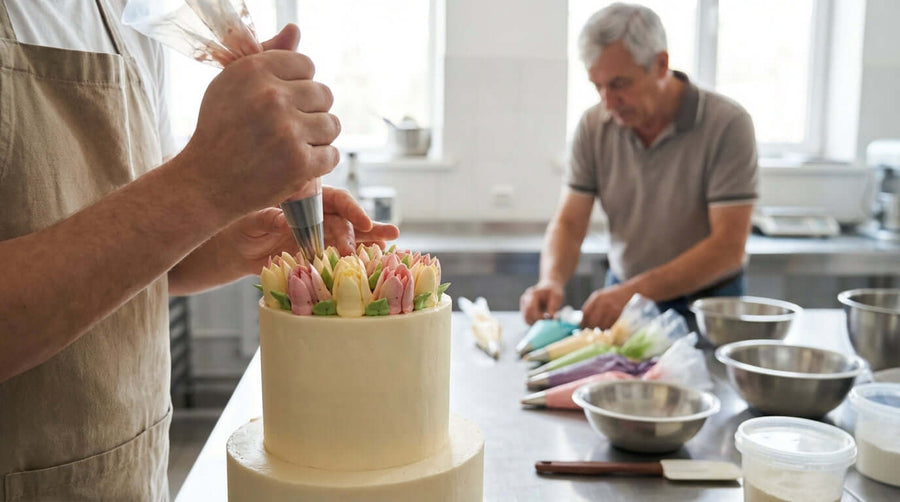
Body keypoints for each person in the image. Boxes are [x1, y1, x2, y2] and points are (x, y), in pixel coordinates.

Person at [0, 1, 397, 499]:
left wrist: (241, 240)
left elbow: (138, 252)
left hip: (130, 476)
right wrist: (204, 183)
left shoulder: (129, 21)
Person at [520, 2, 757, 330]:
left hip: (708, 305)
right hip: (625, 293)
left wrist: (633, 293)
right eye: (597, 85)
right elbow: (570, 223)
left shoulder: (728, 124)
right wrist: (551, 280)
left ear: (661, 65)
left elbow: (728, 248)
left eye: (619, 84)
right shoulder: (594, 126)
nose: (607, 102)